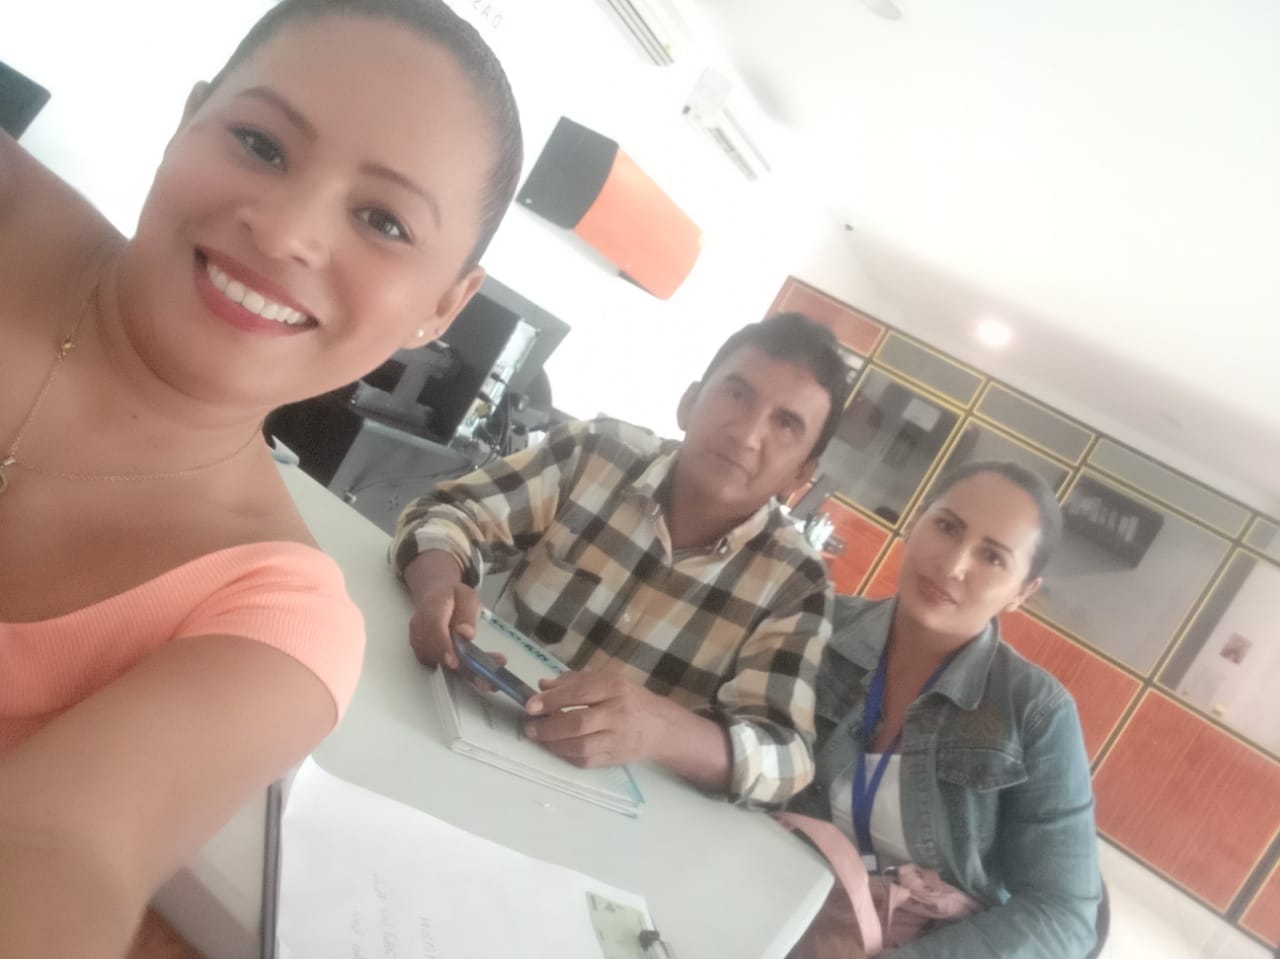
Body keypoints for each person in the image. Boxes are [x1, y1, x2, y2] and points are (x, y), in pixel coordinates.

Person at [0, 2, 521, 956]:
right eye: (260, 143)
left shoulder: (272, 615)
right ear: (188, 117)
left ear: (444, 306)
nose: (284, 233)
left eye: (383, 220)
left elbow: (68, 850)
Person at [393, 312, 850, 807]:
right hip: (466, 729)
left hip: (609, 812)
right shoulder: (595, 453)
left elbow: (786, 755)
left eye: (786, 424)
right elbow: (449, 513)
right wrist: (438, 589)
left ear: (800, 475)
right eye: (737, 394)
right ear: (689, 403)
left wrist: (661, 728)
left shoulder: (796, 582)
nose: (748, 434)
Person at [787, 460, 1103, 957]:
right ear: (916, 520)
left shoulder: (1036, 712)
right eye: (948, 527)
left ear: (1022, 592)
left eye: (992, 557)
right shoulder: (817, 626)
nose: (953, 565)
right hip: (777, 898)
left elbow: (1065, 916)